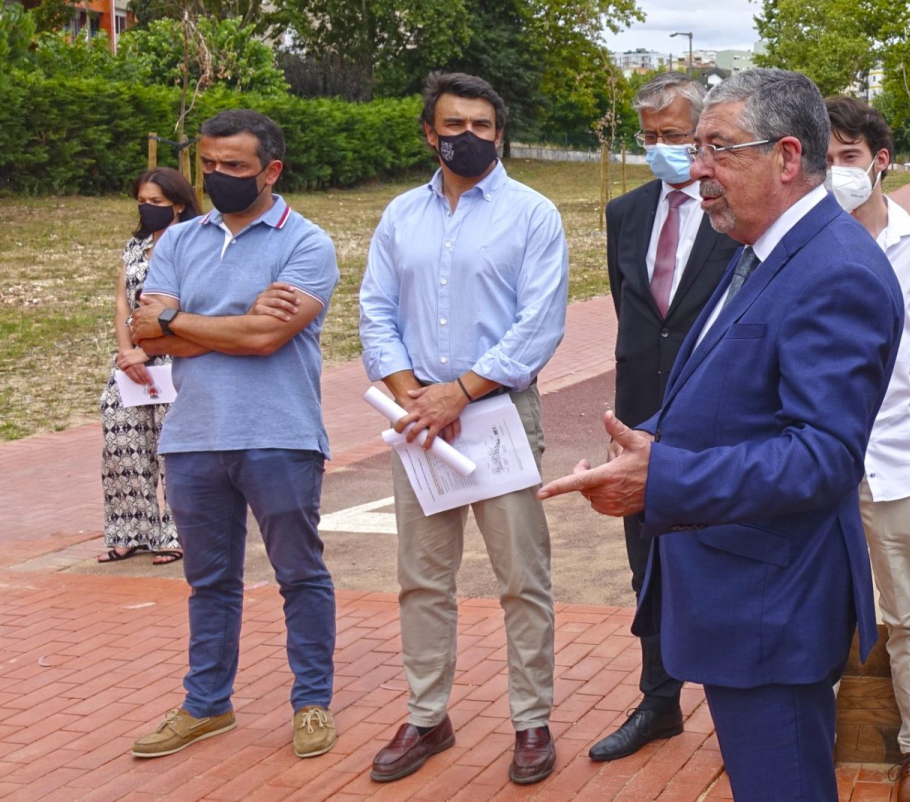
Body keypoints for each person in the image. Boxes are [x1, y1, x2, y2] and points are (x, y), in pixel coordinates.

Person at [539, 68, 903, 802]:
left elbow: (823, 456)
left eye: (718, 149)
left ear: (788, 157)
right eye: (695, 147)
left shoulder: (834, 271)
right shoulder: (761, 248)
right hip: (746, 593)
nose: (696, 168)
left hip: (772, 604)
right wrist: (651, 443)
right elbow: (733, 390)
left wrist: (663, 477)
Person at [351, 72, 569, 786]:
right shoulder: (399, 217)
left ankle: (532, 721)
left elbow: (539, 323)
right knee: (422, 576)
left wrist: (461, 391)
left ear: (499, 133)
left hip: (498, 414)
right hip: (418, 421)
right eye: (454, 125)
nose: (468, 136)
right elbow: (375, 309)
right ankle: (427, 717)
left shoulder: (533, 214)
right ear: (429, 133)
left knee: (521, 577)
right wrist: (410, 390)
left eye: (482, 125)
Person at [125, 109, 341, 761]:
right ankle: (206, 705)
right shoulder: (180, 241)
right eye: (210, 166)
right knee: (209, 581)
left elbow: (268, 336)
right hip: (192, 438)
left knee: (299, 574)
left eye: (235, 167)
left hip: (281, 434)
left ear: (271, 170)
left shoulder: (307, 243)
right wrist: (226, 324)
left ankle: (311, 705)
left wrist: (180, 320)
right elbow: (144, 333)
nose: (218, 176)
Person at [591, 73, 737, 764]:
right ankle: (659, 699)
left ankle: (742, 701)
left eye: (674, 136)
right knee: (646, 564)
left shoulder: (733, 209)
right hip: (639, 420)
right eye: (648, 137)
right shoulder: (625, 212)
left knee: (724, 561)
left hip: (716, 423)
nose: (660, 150)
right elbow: (638, 318)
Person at [824, 96, 910, 802]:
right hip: (812, 466)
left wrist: (887, 408)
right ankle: (810, 738)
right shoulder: (802, 242)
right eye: (823, 159)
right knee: (814, 607)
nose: (835, 172)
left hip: (892, 463)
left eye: (847, 158)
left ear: (880, 162)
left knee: (906, 611)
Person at [99, 167, 198, 566]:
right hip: (131, 362)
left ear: (178, 203)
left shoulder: (194, 243)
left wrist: (151, 350)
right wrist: (127, 353)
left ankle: (177, 534)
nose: (148, 208)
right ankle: (130, 532)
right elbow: (123, 301)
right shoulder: (136, 245)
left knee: (172, 449)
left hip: (176, 359)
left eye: (156, 202)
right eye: (142, 201)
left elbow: (191, 302)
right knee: (121, 443)